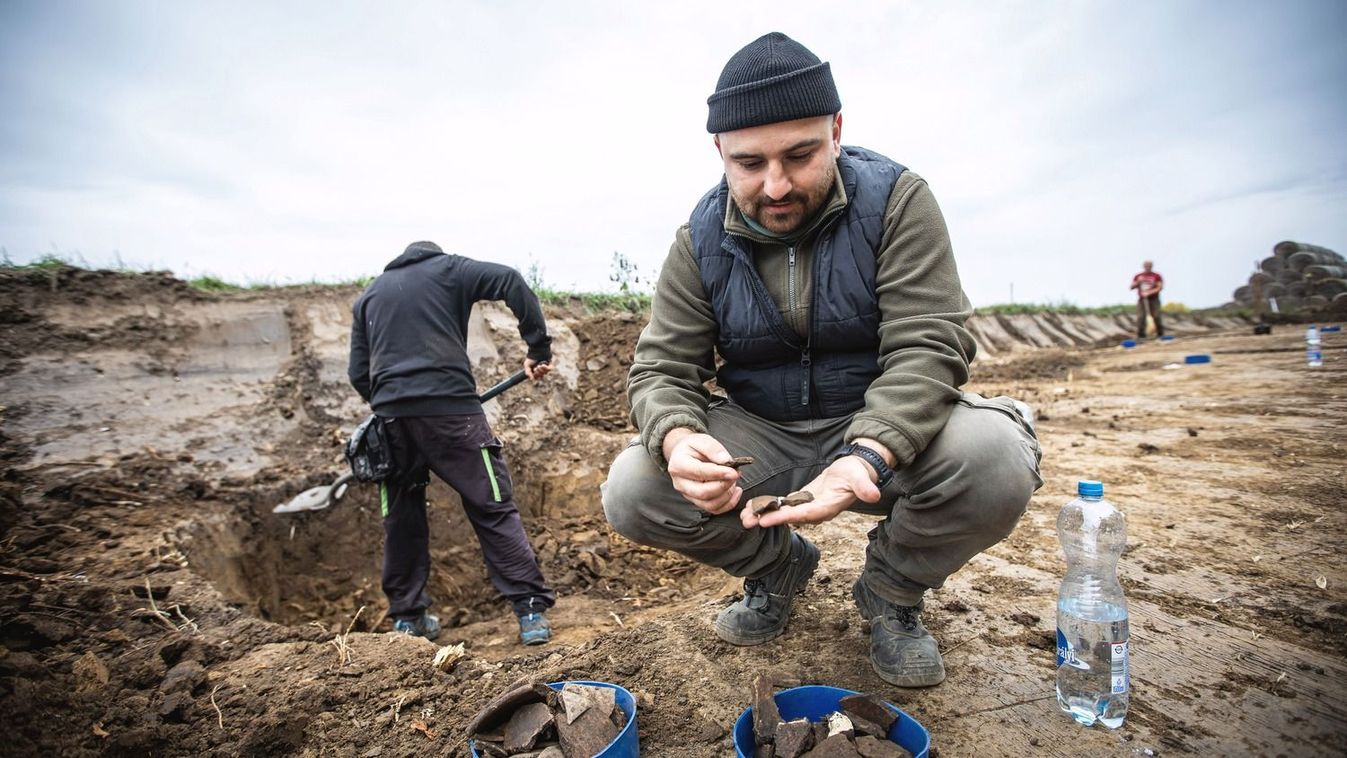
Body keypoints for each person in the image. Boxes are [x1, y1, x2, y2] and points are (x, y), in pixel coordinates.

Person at [601, 33, 1042, 688]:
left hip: (881, 432)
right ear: (718, 152)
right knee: (634, 487)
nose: (774, 185)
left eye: (799, 155)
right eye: (748, 163)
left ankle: (890, 592)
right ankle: (777, 569)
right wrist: (678, 436)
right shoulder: (698, 239)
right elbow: (661, 368)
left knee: (994, 460)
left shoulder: (896, 200)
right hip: (764, 436)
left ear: (835, 131)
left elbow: (929, 342)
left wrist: (865, 454)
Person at [348, 241, 556, 645]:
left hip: (392, 420)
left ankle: (408, 619)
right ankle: (530, 610)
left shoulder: (370, 294)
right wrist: (538, 347)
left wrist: (393, 402)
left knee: (401, 518)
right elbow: (510, 280)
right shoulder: (451, 270)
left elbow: (359, 371)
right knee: (491, 505)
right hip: (453, 415)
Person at [1130, 260, 1165, 338]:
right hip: (1142, 299)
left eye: (1149, 265)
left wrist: (1150, 292)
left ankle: (1160, 334)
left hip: (1154, 299)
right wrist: (1138, 282)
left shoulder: (1156, 276)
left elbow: (1160, 287)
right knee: (1141, 317)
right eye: (1146, 265)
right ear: (1143, 266)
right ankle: (1141, 336)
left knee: (1156, 316)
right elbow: (1131, 287)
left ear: (1152, 266)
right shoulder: (1138, 276)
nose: (1147, 267)